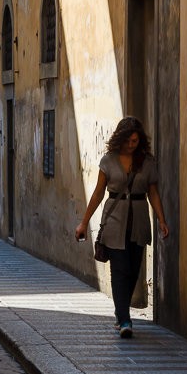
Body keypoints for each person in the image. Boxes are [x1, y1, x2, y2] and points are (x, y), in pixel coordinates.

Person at [75, 116, 169, 339]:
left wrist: (162, 220)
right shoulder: (108, 160)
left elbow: (153, 193)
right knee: (120, 269)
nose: (131, 145)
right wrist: (84, 223)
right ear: (120, 139)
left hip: (138, 220)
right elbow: (99, 193)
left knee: (133, 270)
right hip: (114, 220)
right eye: (128, 140)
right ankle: (125, 319)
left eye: (135, 141)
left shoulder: (147, 162)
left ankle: (120, 311)